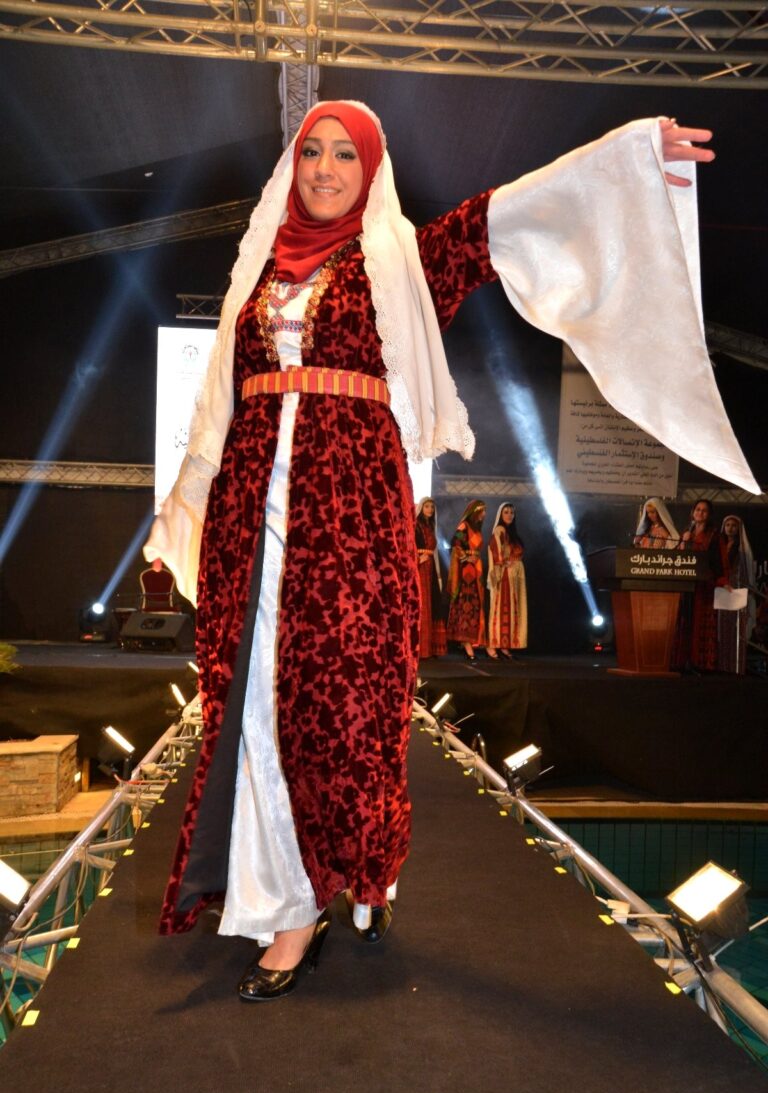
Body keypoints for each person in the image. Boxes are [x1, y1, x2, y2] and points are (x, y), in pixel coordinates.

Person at [144, 99, 728, 1001]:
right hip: (249, 519)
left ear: (372, 169)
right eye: (312, 152)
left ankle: (353, 874)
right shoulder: (256, 270)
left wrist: (631, 156)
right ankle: (283, 901)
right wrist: (191, 511)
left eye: (346, 154)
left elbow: (503, 220)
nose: (326, 168)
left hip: (349, 525)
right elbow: (220, 403)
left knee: (344, 709)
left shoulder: (400, 262)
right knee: (255, 703)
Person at [673, 499, 723, 671]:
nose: (700, 513)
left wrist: (722, 581)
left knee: (699, 623)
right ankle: (681, 661)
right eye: (698, 509)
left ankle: (700, 663)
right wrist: (683, 542)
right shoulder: (687, 532)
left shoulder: (714, 535)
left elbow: (718, 560)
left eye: (704, 510)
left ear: (709, 515)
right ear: (693, 512)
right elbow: (677, 556)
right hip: (686, 584)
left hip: (704, 585)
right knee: (684, 621)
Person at [446, 500, 487, 662]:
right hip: (466, 571)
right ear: (475, 512)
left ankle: (469, 641)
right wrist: (465, 558)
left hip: (476, 570)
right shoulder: (464, 526)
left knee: (475, 605)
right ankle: (466, 643)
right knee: (466, 603)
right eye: (482, 511)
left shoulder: (477, 529)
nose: (484, 514)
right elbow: (455, 543)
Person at [715, 514, 755, 675]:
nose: (730, 528)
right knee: (721, 630)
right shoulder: (719, 546)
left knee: (736, 630)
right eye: (727, 525)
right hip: (721, 591)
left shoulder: (742, 548)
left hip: (736, 591)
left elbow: (745, 573)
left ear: (739, 529)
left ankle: (735, 668)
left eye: (733, 526)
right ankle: (721, 667)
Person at [486, 503, 527, 659]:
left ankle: (504, 644)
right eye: (506, 512)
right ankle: (492, 643)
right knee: (501, 607)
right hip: (506, 574)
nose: (509, 515)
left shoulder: (512, 533)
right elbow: (494, 547)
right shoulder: (500, 530)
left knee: (512, 608)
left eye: (511, 512)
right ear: (500, 514)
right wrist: (502, 562)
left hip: (516, 575)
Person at [415, 497, 447, 658]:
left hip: (430, 568)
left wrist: (437, 571)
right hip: (420, 567)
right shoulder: (415, 525)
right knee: (422, 604)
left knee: (431, 604)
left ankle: (427, 648)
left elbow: (433, 552)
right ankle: (419, 648)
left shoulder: (430, 526)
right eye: (427, 506)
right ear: (421, 508)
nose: (430, 509)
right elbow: (408, 545)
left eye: (432, 507)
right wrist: (417, 559)